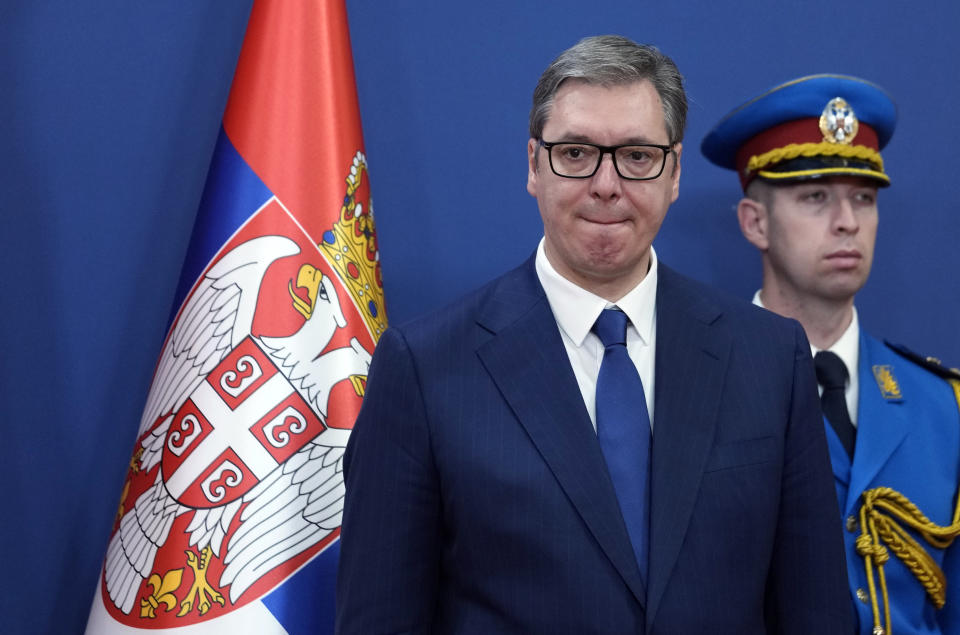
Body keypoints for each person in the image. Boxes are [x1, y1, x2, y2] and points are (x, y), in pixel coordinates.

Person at [336, 36, 851, 634]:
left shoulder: (769, 357)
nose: (606, 184)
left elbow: (817, 614)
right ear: (533, 165)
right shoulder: (425, 368)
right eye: (576, 153)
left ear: (675, 172)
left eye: (636, 156)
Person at [702, 74, 960, 635]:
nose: (847, 222)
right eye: (815, 196)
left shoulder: (942, 405)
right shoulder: (693, 391)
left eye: (863, 199)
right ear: (756, 223)